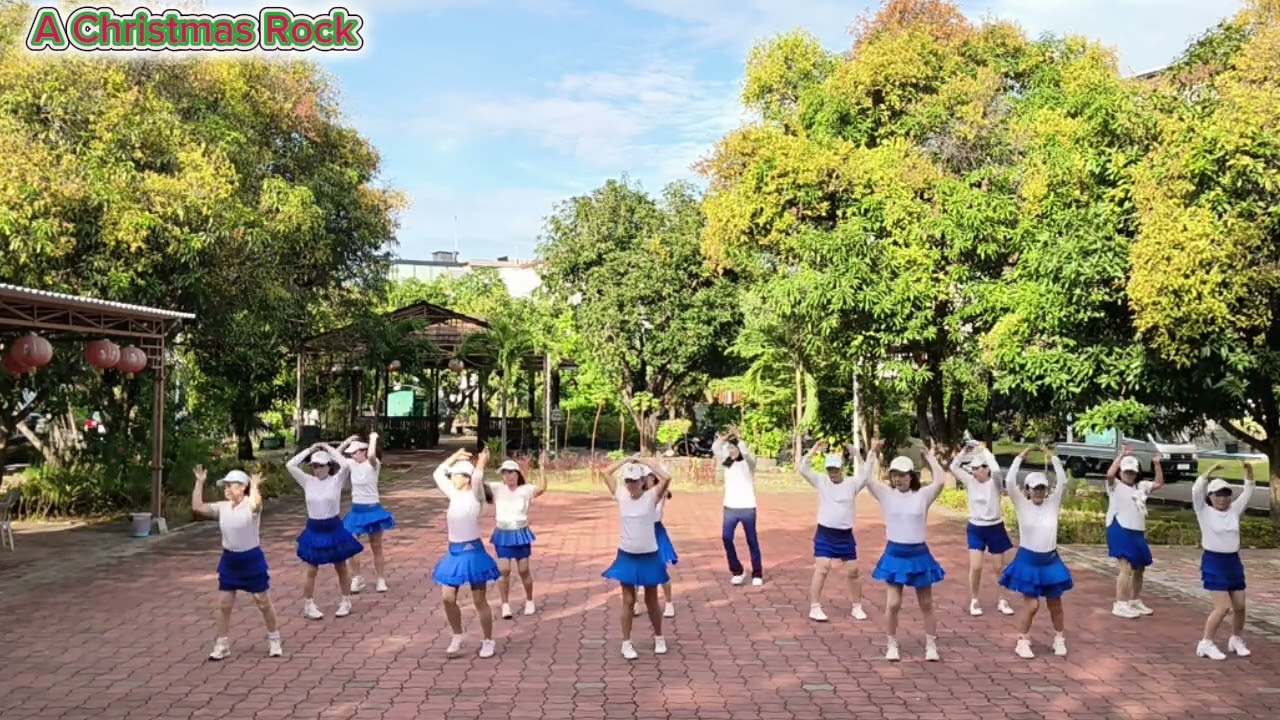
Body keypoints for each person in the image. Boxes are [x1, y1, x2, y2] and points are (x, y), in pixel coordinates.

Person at [863, 440, 946, 662]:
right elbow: (867, 479)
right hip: (895, 554)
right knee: (893, 603)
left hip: (919, 554)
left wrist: (930, 457)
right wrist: (872, 453)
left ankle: (931, 644)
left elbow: (940, 480)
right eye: (894, 474)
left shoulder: (923, 495)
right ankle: (891, 643)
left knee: (926, 603)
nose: (898, 479)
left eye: (902, 474)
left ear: (912, 475)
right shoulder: (885, 494)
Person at [191, 466, 282, 660]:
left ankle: (274, 639)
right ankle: (222, 644)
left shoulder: (251, 504)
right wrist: (199, 482)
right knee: (224, 604)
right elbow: (197, 507)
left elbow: (257, 506)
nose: (226, 489)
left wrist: (255, 485)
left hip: (251, 559)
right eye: (224, 485)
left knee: (263, 602)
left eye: (230, 485)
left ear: (242, 487)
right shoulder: (222, 507)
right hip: (230, 560)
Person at [1000, 448, 1073, 659]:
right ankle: (1022, 640)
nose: (1039, 492)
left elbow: (1063, 482)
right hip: (1028, 561)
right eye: (1034, 489)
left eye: (1042, 488)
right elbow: (1010, 483)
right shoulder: (1022, 504)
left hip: (1050, 561)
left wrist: (1053, 458)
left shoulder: (1053, 503)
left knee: (1055, 603)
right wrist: (1019, 458)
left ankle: (1059, 638)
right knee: (1031, 604)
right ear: (1027, 490)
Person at [432, 448, 502, 658]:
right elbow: (437, 473)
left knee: (479, 600)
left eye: (456, 475)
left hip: (473, 554)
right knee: (447, 597)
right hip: (454, 554)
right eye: (452, 475)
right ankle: (457, 635)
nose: (451, 478)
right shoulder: (453, 494)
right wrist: (456, 455)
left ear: (467, 478)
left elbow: (479, 476)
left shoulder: (475, 496)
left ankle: (488, 640)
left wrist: (481, 462)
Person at [601, 458, 674, 659]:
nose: (630, 485)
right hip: (627, 555)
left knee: (651, 600)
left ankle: (659, 637)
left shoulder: (652, 496)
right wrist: (625, 460)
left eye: (634, 481)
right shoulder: (621, 495)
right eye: (627, 481)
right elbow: (605, 473)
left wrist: (646, 462)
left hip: (649, 555)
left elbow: (666, 477)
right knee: (628, 599)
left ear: (643, 481)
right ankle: (626, 643)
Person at [286, 442, 365, 620]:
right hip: (314, 528)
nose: (316, 469)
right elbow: (290, 465)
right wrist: (310, 449)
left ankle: (346, 601)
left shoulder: (336, 480)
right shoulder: (307, 481)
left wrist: (328, 449)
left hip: (333, 527)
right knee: (311, 568)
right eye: (314, 465)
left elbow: (344, 465)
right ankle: (308, 604)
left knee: (341, 567)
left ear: (328, 466)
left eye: (320, 465)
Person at [798, 440, 869, 623]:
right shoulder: (822, 481)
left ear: (842, 468)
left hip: (845, 535)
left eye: (836, 469)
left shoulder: (852, 484)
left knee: (853, 570)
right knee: (822, 568)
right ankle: (815, 607)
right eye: (830, 469)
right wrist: (813, 451)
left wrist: (858, 455)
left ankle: (857, 606)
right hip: (825, 534)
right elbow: (803, 469)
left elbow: (866, 475)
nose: (833, 473)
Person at [1192, 462, 1256, 660]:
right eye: (1218, 494)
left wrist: (1249, 471)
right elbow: (1196, 489)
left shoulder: (1234, 510)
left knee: (1240, 605)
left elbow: (1248, 491)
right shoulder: (1203, 510)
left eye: (1226, 494)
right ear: (1210, 497)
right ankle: (1206, 643)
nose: (1222, 498)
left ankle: (1235, 639)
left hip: (1233, 562)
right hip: (1214, 561)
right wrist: (1210, 471)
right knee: (1222, 607)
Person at [951, 442, 1016, 617]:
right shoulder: (970, 481)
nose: (975, 472)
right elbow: (954, 467)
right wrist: (964, 451)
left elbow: (996, 470)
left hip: (995, 526)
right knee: (976, 566)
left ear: (986, 468)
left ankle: (1002, 600)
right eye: (973, 468)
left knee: (998, 567)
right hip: (976, 527)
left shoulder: (994, 482)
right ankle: (974, 599)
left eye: (978, 468)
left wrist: (985, 450)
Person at [485, 453, 548, 619]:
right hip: (503, 533)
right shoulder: (497, 488)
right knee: (504, 569)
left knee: (524, 570)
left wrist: (542, 468)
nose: (508, 476)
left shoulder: (526, 490)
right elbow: (478, 484)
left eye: (512, 472)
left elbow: (542, 488)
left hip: (520, 533)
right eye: (505, 473)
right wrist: (480, 464)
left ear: (518, 474)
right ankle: (505, 604)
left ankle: (529, 600)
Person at [1104, 446, 1165, 618]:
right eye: (1125, 472)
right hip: (1119, 527)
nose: (1128, 475)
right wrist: (1120, 456)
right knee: (1126, 567)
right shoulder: (1114, 486)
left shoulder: (1141, 487)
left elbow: (1159, 483)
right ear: (1121, 472)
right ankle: (1120, 603)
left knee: (1140, 568)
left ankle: (1134, 600)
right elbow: (1109, 475)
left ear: (1136, 473)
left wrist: (1157, 464)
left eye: (1131, 472)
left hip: (1137, 531)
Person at [342, 432, 395, 594]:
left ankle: (380, 579)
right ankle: (356, 578)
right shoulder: (351, 464)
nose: (352, 455)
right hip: (357, 510)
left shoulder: (373, 464)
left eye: (355, 452)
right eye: (351, 453)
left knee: (376, 546)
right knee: (351, 545)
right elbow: (334, 456)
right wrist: (347, 441)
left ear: (363, 452)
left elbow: (372, 454)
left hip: (373, 510)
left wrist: (372, 438)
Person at [713, 426, 763, 586]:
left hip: (748, 507)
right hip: (730, 507)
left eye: (734, 448)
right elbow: (715, 447)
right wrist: (727, 436)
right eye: (729, 448)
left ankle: (757, 573)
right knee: (726, 538)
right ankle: (737, 571)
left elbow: (747, 454)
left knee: (752, 540)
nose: (731, 451)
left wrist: (739, 437)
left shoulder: (748, 464)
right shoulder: (726, 463)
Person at [637, 463, 678, 619]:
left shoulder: (659, 493)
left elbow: (666, 481)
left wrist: (650, 464)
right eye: (643, 478)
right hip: (640, 531)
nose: (644, 480)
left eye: (648, 477)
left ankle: (668, 603)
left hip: (655, 531)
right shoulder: (636, 493)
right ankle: (634, 603)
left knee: (660, 568)